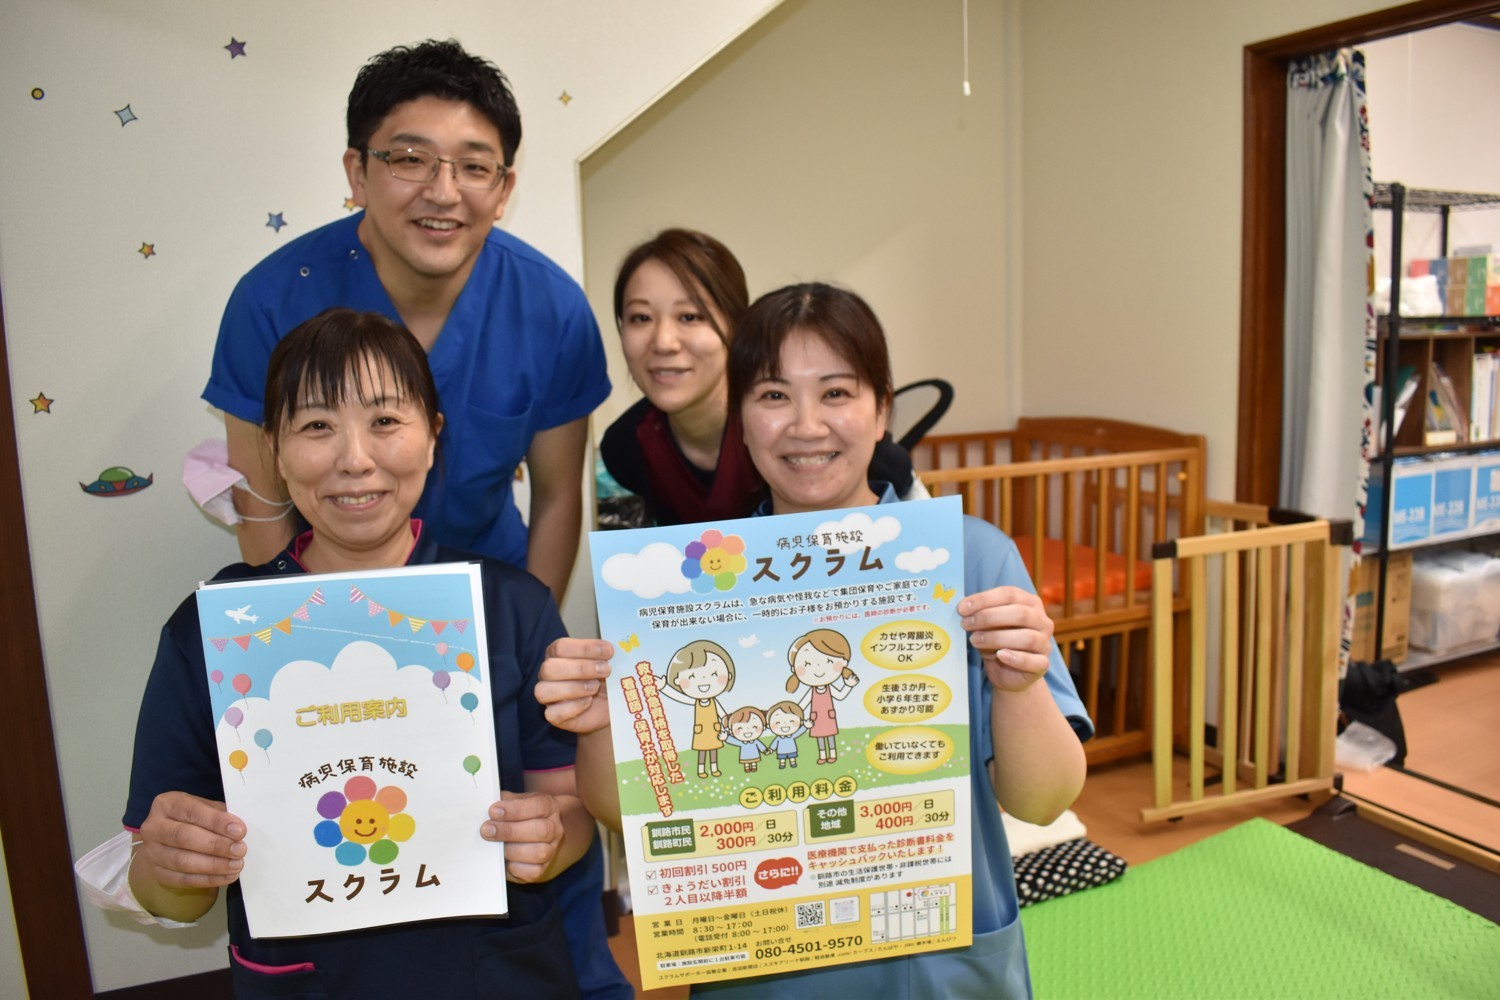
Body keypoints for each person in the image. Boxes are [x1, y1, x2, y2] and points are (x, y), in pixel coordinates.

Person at [537, 283, 1092, 998]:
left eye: (836, 393)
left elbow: (1044, 802)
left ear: (882, 410)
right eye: (774, 396)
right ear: (740, 420)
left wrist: (1018, 686)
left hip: (936, 971)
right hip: (759, 968)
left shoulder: (971, 558)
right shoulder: (680, 587)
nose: (806, 425)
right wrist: (596, 724)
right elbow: (623, 811)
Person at [124, 310, 598, 997]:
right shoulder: (216, 631)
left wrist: (552, 837)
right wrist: (172, 868)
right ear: (274, 449)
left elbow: (571, 812)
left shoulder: (511, 605)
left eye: (385, 420)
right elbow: (165, 891)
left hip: (496, 975)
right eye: (317, 426)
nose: (354, 458)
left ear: (433, 436)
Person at [204, 40, 609, 604]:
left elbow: (558, 497)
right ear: (358, 173)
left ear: (503, 190)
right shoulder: (271, 301)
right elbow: (264, 503)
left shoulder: (554, 310)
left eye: (474, 167)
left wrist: (533, 636)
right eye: (411, 159)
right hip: (326, 595)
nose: (443, 193)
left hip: (491, 593)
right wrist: (300, 628)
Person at [600, 229, 920, 526]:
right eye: (641, 317)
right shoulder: (625, 448)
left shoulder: (862, 453)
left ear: (737, 327)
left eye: (690, 316)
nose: (663, 342)